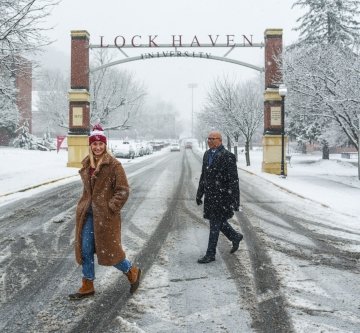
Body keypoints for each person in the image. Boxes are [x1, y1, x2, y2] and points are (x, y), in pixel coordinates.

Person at [69, 124, 141, 300]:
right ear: (90, 145)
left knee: (110, 252)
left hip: (106, 216)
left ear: (105, 145)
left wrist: (111, 207)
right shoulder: (87, 164)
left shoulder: (114, 165)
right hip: (88, 215)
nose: (98, 147)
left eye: (101, 144)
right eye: (94, 144)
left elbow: (123, 190)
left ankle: (131, 271)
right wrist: (84, 204)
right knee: (85, 249)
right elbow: (88, 191)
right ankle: (87, 284)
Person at [196, 130, 243, 264]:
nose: (209, 141)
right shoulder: (206, 154)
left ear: (220, 140)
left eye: (212, 139)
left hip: (222, 197)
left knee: (215, 225)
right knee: (218, 222)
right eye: (208, 138)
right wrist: (200, 194)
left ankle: (210, 254)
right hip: (210, 197)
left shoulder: (228, 156)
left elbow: (234, 180)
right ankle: (235, 236)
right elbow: (203, 176)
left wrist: (235, 201)